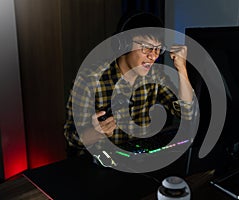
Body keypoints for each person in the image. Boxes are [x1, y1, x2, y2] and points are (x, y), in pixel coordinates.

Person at [64, 11, 195, 158]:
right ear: (123, 44)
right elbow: (71, 138)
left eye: (158, 49)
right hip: (101, 164)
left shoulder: (155, 76)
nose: (153, 56)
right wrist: (96, 132)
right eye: (146, 47)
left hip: (140, 160)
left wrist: (182, 69)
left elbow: (186, 113)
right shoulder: (89, 80)